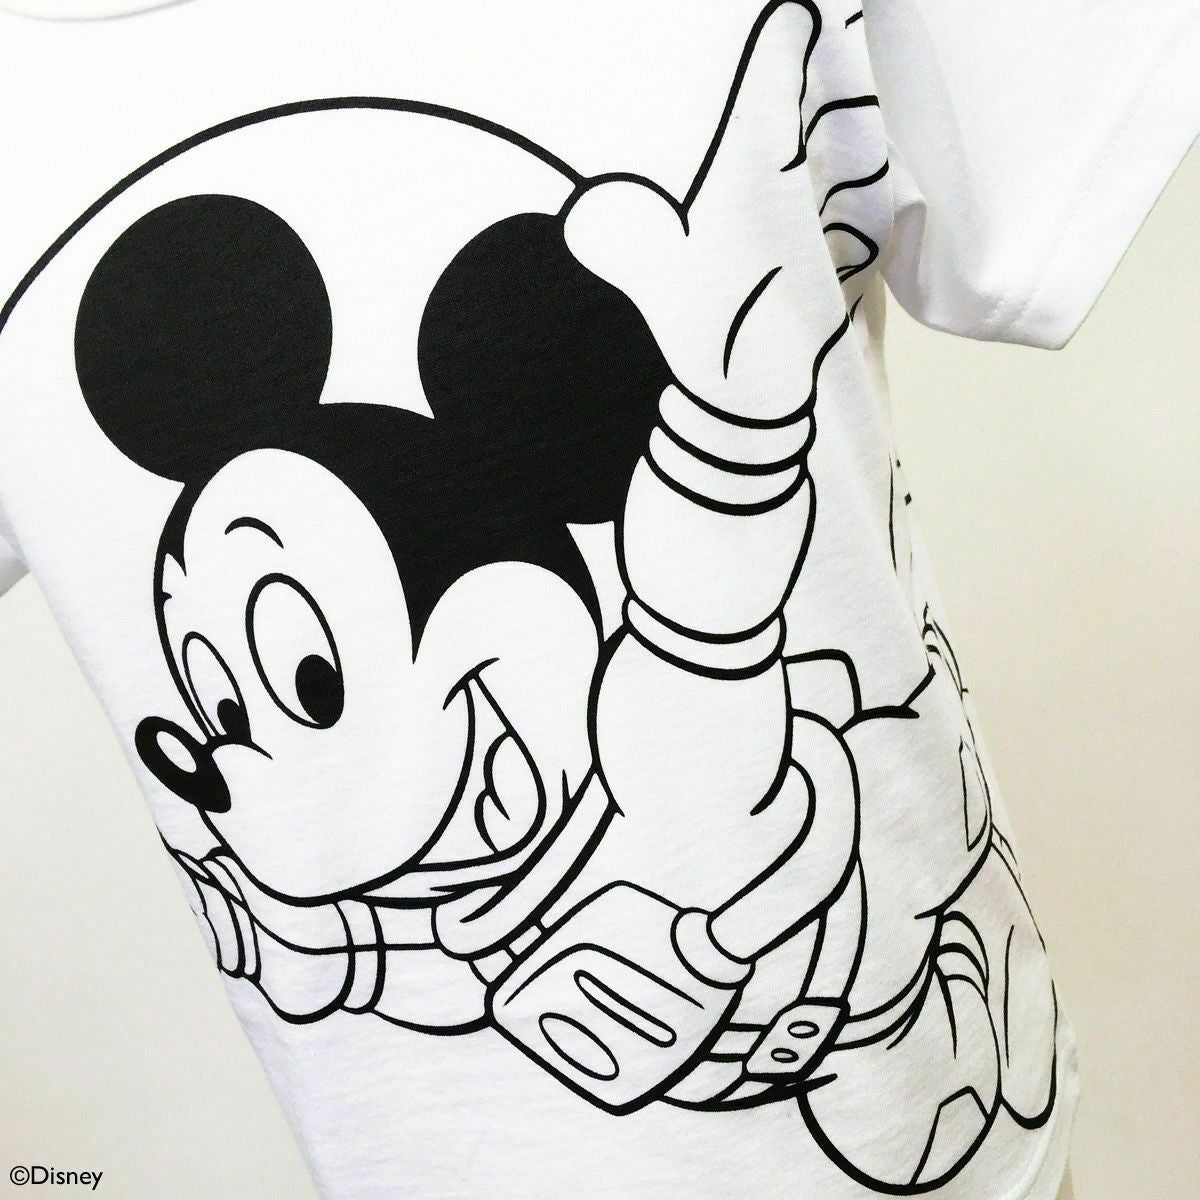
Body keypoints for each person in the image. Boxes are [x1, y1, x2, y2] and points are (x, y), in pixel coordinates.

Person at [0, 2, 1195, 1198]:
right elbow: (406, 959)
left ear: (496, 625)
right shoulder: (467, 917)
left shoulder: (653, 755)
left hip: (914, 1055)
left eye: (309, 682)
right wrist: (314, 947)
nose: (216, 757)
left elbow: (699, 625)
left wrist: (728, 435)